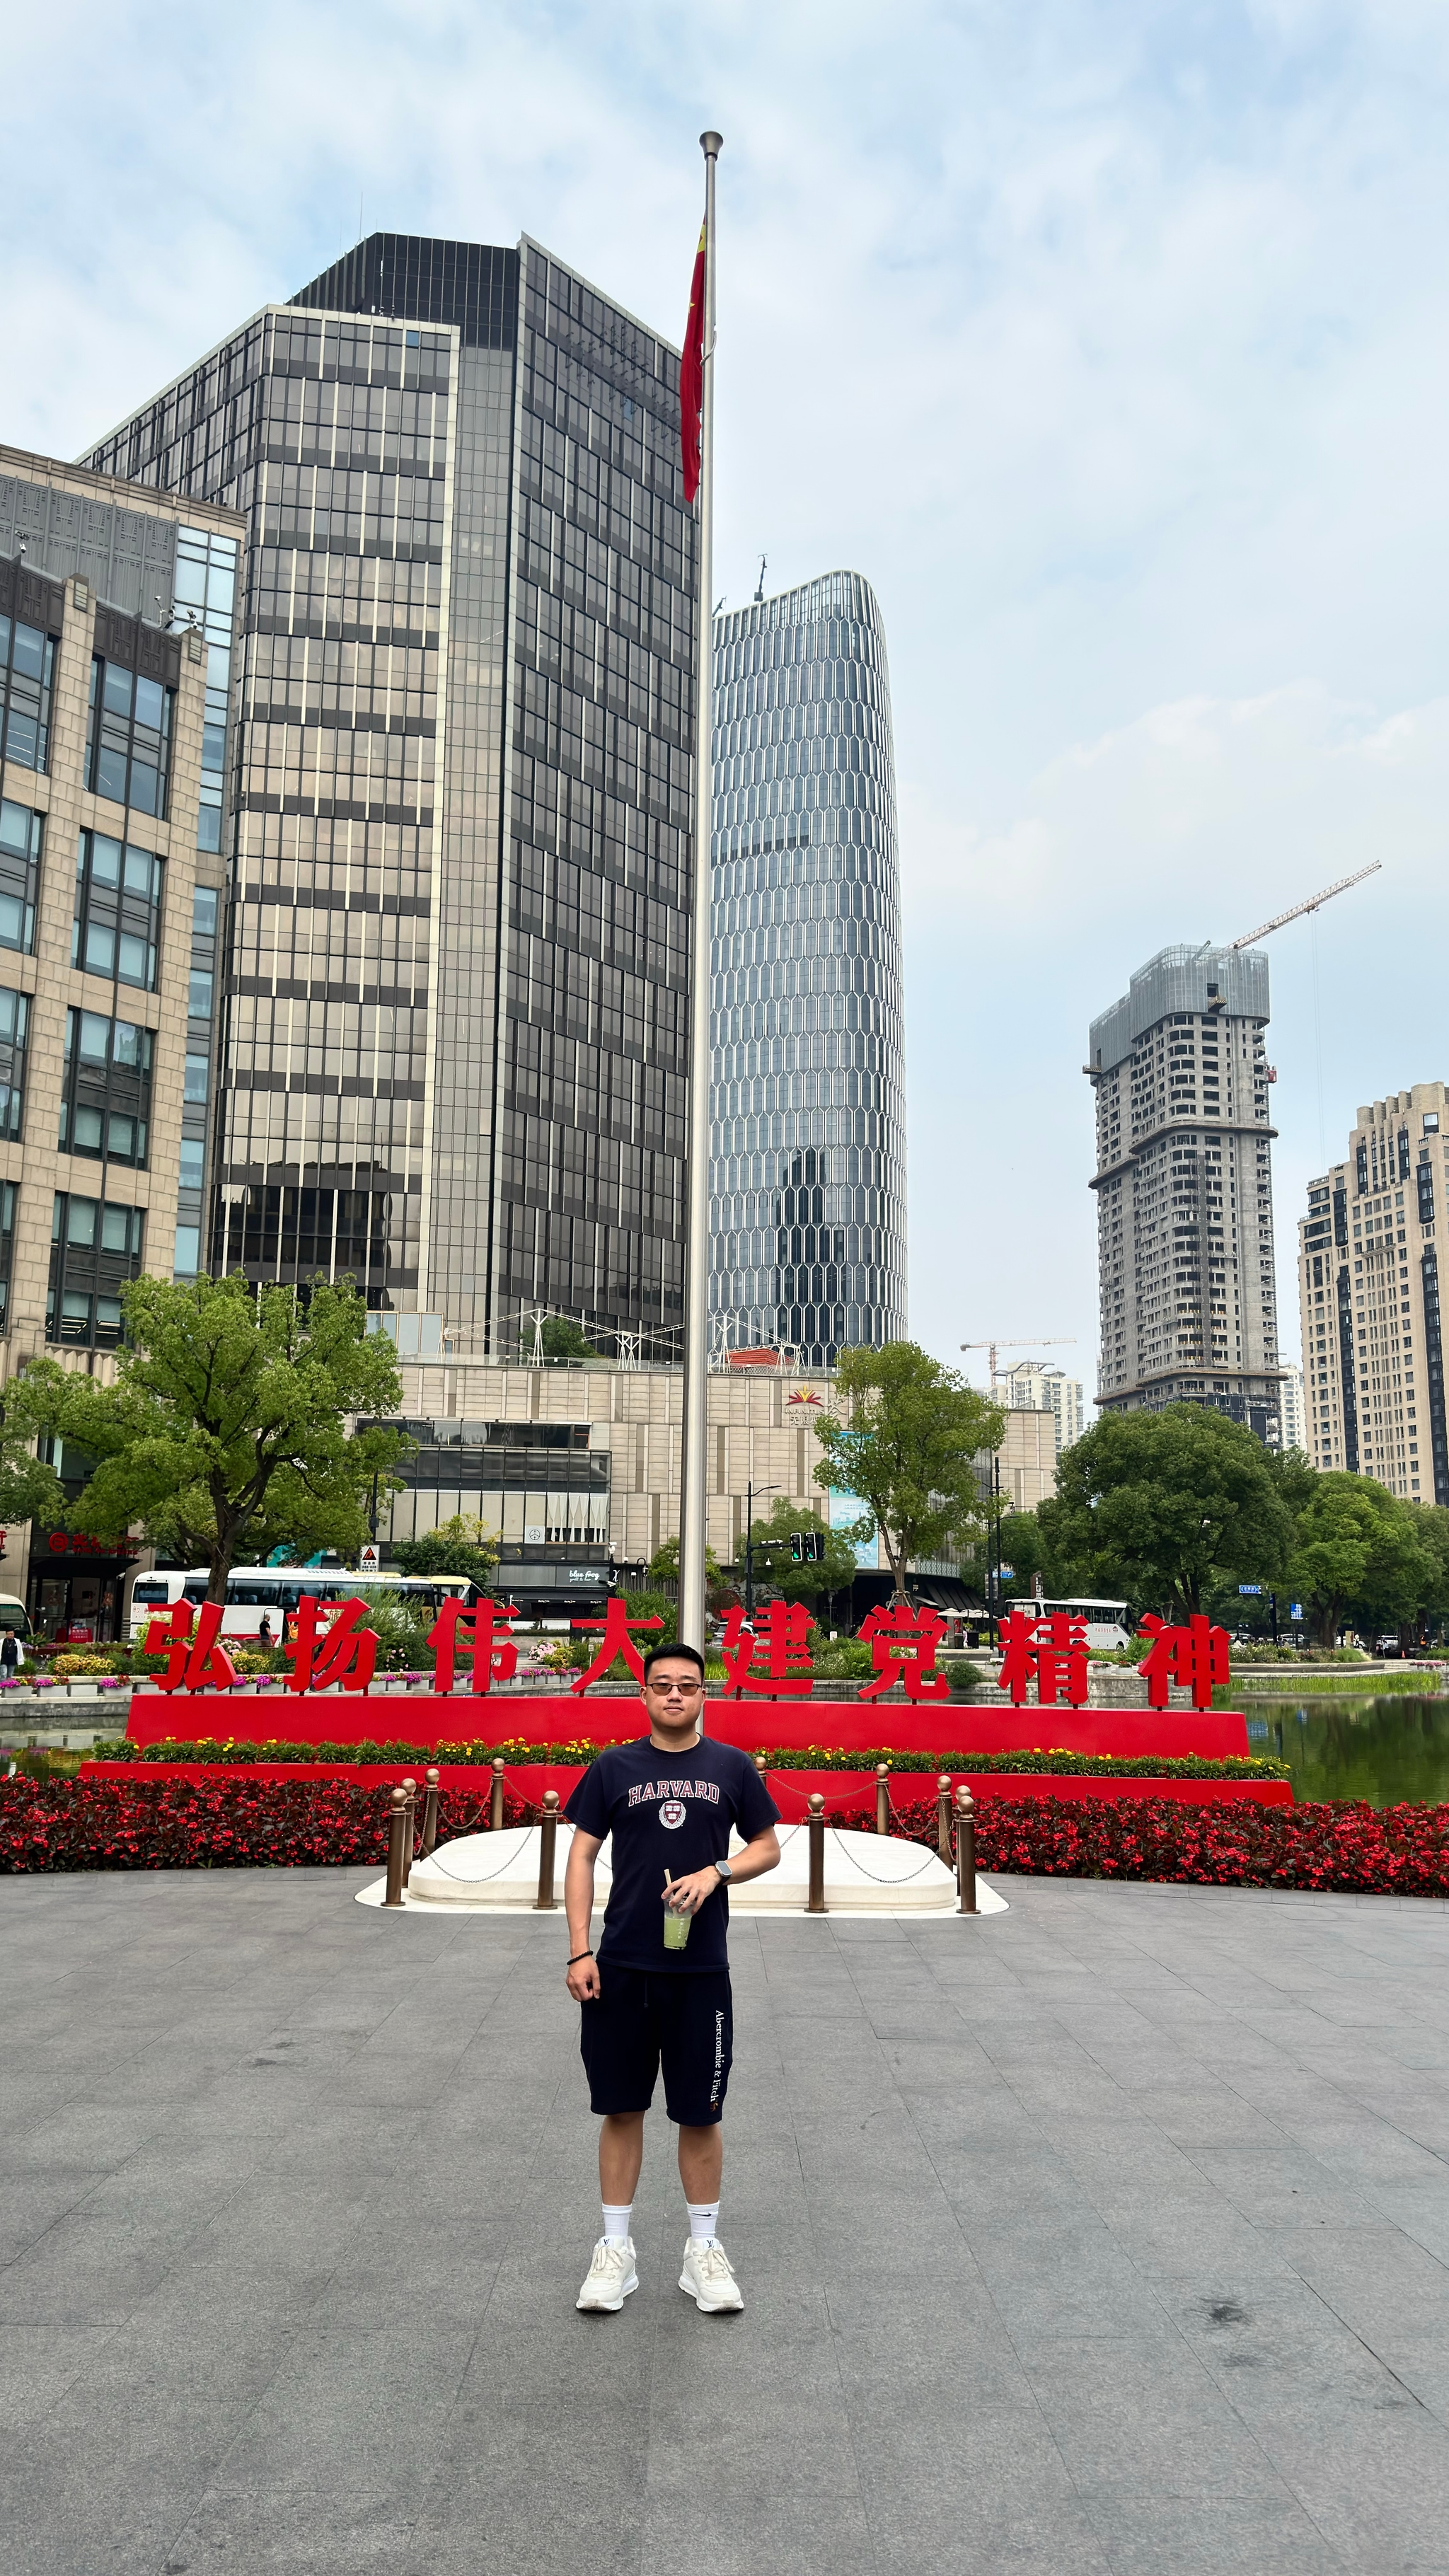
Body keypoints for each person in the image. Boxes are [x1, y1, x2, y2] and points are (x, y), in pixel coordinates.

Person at [563, 1640, 780, 2316]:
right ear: (644, 1695)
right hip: (622, 1966)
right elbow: (579, 1856)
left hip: (700, 1972)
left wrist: (717, 1871)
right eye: (662, 1685)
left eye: (688, 1684)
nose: (675, 1695)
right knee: (622, 2107)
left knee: (699, 2111)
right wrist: (579, 1950)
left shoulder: (732, 1767)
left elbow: (768, 1846)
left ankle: (703, 2252)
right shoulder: (613, 1767)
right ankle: (615, 2250)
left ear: (704, 1694)